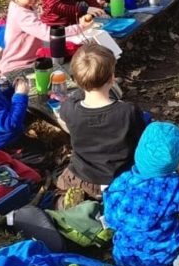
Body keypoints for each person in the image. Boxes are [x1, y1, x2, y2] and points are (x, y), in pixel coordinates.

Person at [103, 122, 179, 266]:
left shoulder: (120, 183)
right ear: (174, 162)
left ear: (138, 150)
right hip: (167, 262)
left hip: (125, 259)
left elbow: (110, 219)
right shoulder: (174, 186)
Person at [58, 44, 147, 203]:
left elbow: (68, 104)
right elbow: (142, 143)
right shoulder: (128, 112)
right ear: (112, 79)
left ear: (77, 80)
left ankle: (80, 205)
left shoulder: (69, 109)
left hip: (82, 177)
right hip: (120, 179)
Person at [0, 0, 93, 80]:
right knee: (63, 77)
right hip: (17, 68)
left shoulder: (22, 6)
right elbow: (48, 34)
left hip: (30, 60)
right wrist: (80, 27)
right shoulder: (22, 15)